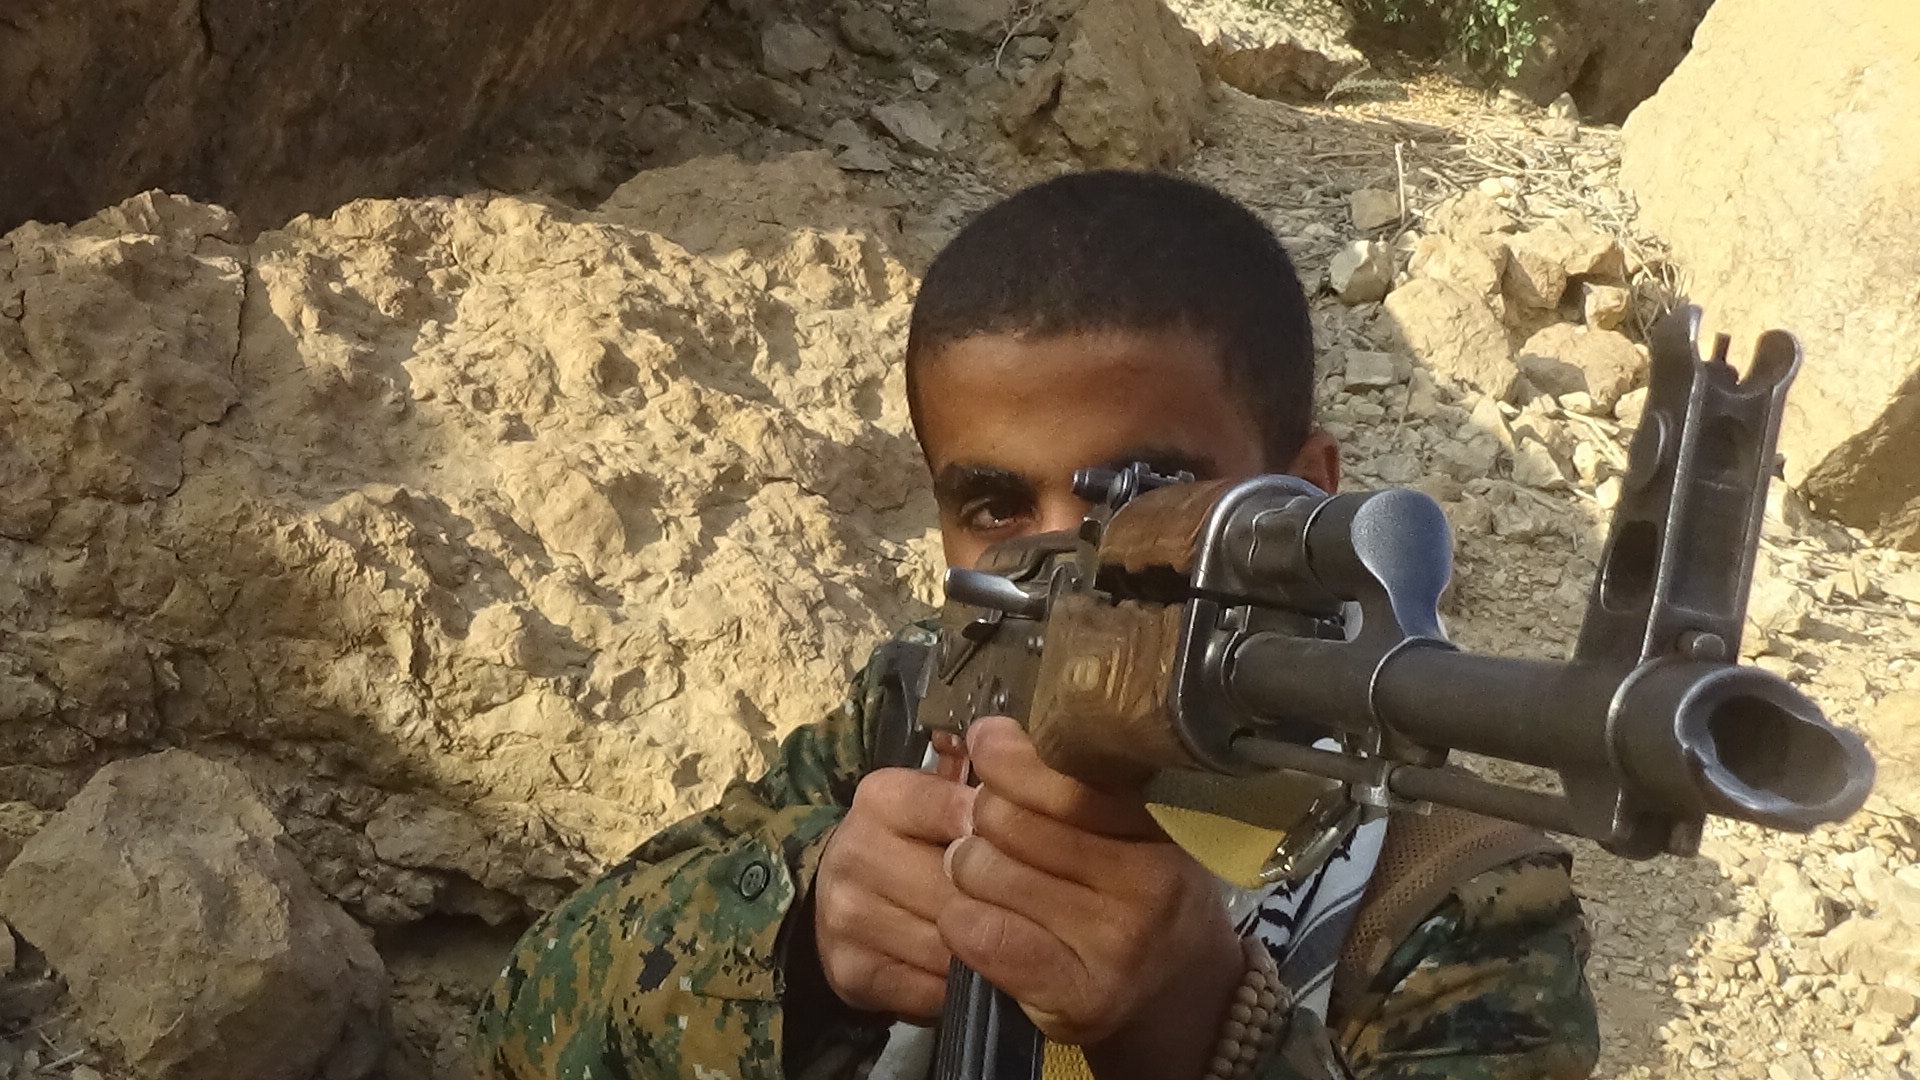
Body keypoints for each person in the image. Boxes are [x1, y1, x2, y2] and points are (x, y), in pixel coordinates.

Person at [472, 171, 1601, 1080]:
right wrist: (802, 932)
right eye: (995, 507)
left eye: (1148, 497)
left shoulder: (1440, 889)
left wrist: (1204, 1028)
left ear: (1303, 496)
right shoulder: (903, 720)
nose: (1072, 567)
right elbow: (522, 1024)